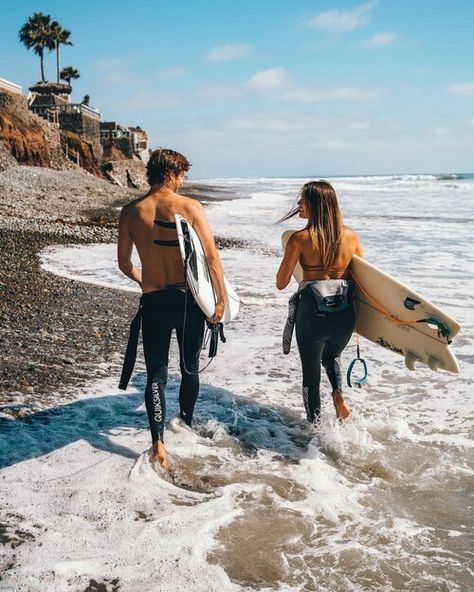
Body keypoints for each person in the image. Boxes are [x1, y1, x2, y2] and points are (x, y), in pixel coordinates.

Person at [117, 148, 225, 467]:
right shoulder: (190, 207)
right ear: (171, 174)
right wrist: (219, 301)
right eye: (181, 176)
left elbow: (124, 264)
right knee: (189, 368)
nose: (182, 182)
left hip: (153, 302)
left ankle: (158, 444)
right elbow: (211, 259)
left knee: (156, 374)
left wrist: (144, 281)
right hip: (188, 303)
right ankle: (186, 425)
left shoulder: (131, 211)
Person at [276, 180, 363, 423]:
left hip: (313, 315)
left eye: (303, 199)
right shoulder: (351, 237)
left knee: (310, 376)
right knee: (331, 356)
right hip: (345, 316)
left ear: (316, 204)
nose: (298, 203)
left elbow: (281, 282)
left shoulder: (300, 239)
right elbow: (363, 279)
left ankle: (313, 429)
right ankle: (338, 396)